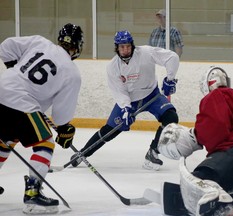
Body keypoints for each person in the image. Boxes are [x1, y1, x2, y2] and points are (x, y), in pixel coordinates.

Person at [158, 66, 233, 215]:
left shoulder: (216, 96)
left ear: (207, 84)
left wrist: (197, 137)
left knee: (200, 180)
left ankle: (223, 208)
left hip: (232, 154)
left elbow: (216, 126)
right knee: (220, 182)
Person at [0, 23, 84, 214]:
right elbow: (61, 116)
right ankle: (33, 194)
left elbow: (5, 46)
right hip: (21, 103)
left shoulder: (40, 42)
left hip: (2, 89)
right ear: (78, 46)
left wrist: (14, 70)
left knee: (6, 140)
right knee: (45, 143)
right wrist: (64, 128)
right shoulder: (71, 72)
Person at [70, 30, 179, 171]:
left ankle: (153, 152)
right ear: (117, 48)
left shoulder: (146, 52)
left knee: (171, 117)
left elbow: (172, 57)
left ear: (132, 45)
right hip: (130, 101)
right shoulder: (113, 67)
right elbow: (119, 91)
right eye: (122, 47)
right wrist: (126, 108)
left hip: (152, 95)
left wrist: (170, 78)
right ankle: (83, 153)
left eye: (128, 46)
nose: (125, 50)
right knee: (110, 130)